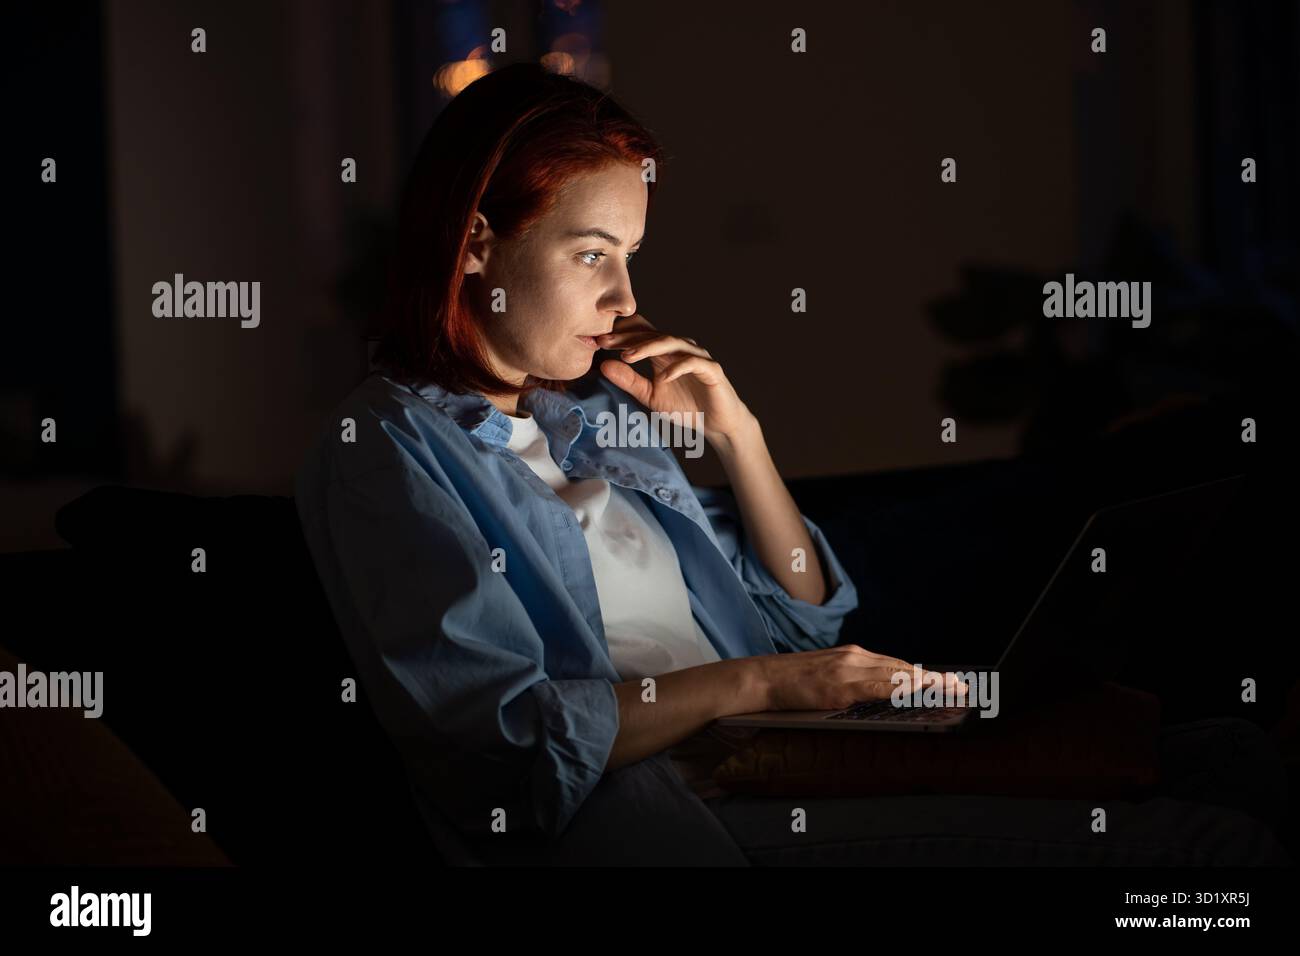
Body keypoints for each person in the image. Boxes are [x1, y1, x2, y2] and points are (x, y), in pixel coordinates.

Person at [294, 63, 1290, 866]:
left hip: (780, 761)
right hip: (682, 810)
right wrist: (767, 684)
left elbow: (804, 614)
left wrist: (740, 439)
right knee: (1208, 846)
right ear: (474, 243)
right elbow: (506, 743)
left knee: (1226, 756)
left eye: (631, 256)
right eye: (593, 254)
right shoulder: (384, 450)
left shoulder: (594, 418)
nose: (623, 296)